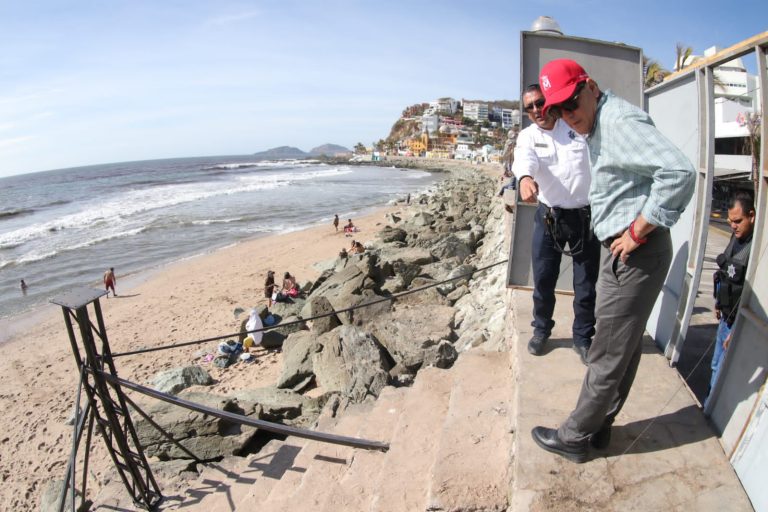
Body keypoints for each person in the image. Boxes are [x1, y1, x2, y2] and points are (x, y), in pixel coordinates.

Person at [530, 59, 695, 462]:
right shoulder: (595, 123)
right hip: (624, 247)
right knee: (623, 344)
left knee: (606, 351)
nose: (568, 115)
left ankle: (574, 436)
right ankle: (601, 421)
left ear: (590, 86)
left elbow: (679, 172)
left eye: (571, 103)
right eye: (558, 109)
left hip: (635, 250)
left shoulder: (617, 122)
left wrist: (638, 229)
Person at [512, 83, 599, 365]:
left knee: (585, 284)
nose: (537, 110)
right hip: (549, 216)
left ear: (549, 101)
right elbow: (523, 160)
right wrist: (525, 178)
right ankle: (541, 330)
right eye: (530, 107)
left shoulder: (575, 125)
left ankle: (583, 337)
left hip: (584, 217)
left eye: (540, 103)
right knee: (543, 280)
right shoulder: (527, 136)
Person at [705, 191, 755, 408]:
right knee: (715, 365)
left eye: (738, 221)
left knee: (722, 370)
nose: (733, 226)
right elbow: (725, 274)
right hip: (725, 316)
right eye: (730, 221)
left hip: (736, 322)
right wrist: (718, 301)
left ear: (751, 216)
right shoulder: (735, 240)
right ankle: (707, 404)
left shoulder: (754, 248)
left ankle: (710, 408)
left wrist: (736, 330)